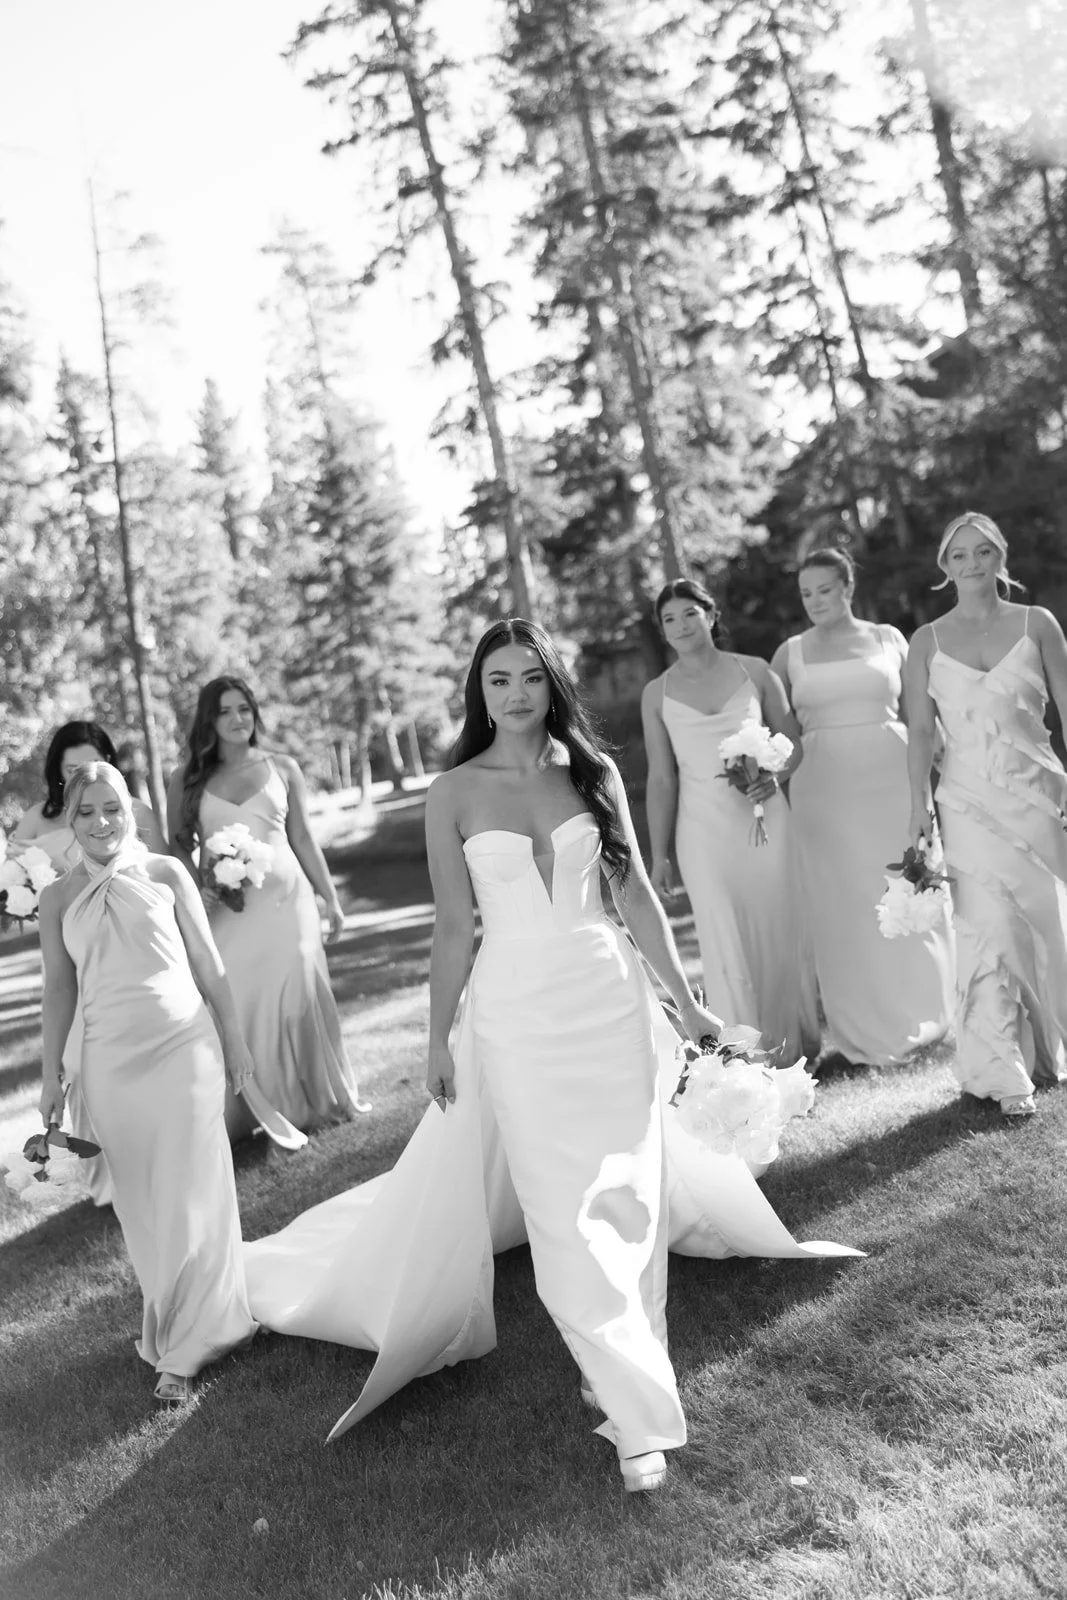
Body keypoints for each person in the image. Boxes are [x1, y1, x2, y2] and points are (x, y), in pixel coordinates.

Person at [243, 621, 861, 1492]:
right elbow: (452, 929)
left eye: (530, 677)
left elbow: (633, 895)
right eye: (497, 680)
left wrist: (686, 1005)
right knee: (562, 1209)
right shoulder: (453, 791)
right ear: (479, 692)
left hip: (607, 1000)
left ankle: (618, 1370)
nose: (515, 694)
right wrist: (437, 1038)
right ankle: (635, 1412)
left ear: (551, 685)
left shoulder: (591, 772)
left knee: (627, 1190)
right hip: (514, 1012)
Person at [37, 762, 258, 1405]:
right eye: (86, 812)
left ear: (129, 809)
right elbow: (58, 990)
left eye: (111, 807)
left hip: (183, 1048)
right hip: (111, 1065)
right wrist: (51, 1075)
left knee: (194, 1189)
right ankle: (176, 1314)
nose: (101, 822)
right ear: (70, 819)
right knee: (143, 1206)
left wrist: (235, 1039)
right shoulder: (56, 898)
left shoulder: (166, 873)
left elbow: (208, 963)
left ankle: (189, 1348)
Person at [905, 512, 1067, 1116]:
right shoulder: (926, 642)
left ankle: (1052, 1051)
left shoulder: (1037, 624)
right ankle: (1004, 1073)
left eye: (982, 552)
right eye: (959, 555)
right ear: (944, 567)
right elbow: (921, 734)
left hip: (1038, 798)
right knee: (986, 929)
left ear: (1000, 556)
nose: (972, 564)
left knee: (1048, 926)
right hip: (965, 804)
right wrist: (917, 806)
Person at [771, 548, 954, 1066]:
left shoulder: (889, 638)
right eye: (806, 593)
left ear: (848, 587)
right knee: (842, 905)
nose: (814, 601)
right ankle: (865, 1031)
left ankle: (934, 1011)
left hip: (893, 779)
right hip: (823, 790)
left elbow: (923, 716)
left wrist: (943, 769)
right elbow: (774, 728)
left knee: (910, 885)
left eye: (825, 590)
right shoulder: (789, 654)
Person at [167, 676, 368, 1139]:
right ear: (208, 721)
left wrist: (331, 898)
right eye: (224, 711)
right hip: (227, 911)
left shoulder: (283, 767)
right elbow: (177, 844)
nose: (237, 719)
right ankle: (251, 1110)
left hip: (288, 904)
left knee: (297, 993)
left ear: (255, 713)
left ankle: (312, 1103)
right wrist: (198, 888)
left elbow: (303, 838)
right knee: (240, 1002)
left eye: (244, 708)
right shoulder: (187, 778)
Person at [641, 579, 819, 1063]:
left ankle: (791, 1042)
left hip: (766, 822)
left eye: (690, 613)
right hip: (701, 831)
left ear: (711, 615)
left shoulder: (756, 671)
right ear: (662, 630)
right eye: (669, 619)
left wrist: (775, 778)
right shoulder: (656, 693)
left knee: (777, 928)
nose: (681, 625)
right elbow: (661, 779)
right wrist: (659, 856)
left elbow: (793, 743)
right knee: (723, 936)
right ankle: (745, 1055)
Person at [12, 720, 165, 870]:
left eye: (93, 765)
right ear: (58, 770)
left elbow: (163, 872)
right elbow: (11, 877)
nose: (85, 777)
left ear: (108, 761)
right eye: (73, 770)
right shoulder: (35, 818)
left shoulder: (139, 812)